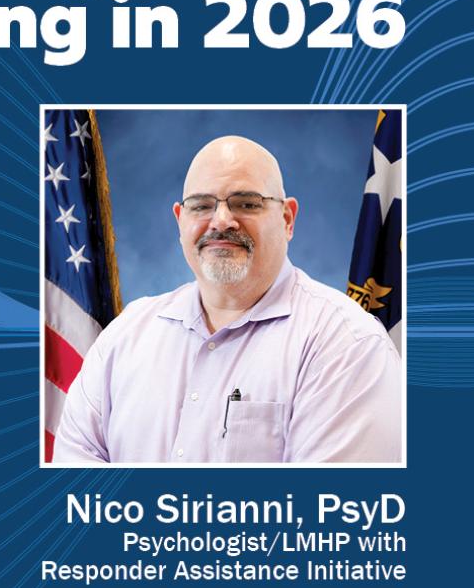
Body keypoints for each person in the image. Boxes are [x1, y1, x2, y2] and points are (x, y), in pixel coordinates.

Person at [52, 136, 402, 464]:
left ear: (287, 219)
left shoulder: (347, 345)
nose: (221, 221)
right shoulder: (124, 337)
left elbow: (326, 504)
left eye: (246, 203)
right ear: (180, 220)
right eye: (201, 205)